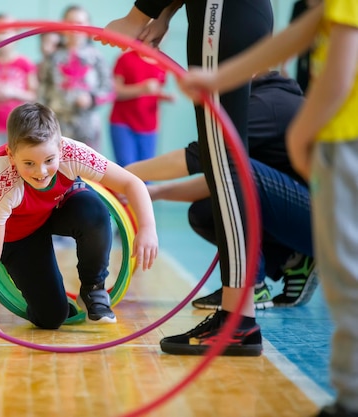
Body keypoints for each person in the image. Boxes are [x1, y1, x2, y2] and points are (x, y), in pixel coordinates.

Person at [176, 2, 358, 416]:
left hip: (346, 141)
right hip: (336, 144)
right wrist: (219, 77)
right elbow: (304, 32)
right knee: (342, 276)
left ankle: (350, 400)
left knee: (349, 280)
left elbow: (341, 66)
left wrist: (301, 132)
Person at [103, 0, 274, 356]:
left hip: (220, 15)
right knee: (222, 163)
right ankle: (235, 315)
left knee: (224, 164)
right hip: (225, 14)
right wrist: (164, 15)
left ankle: (238, 319)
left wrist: (136, 16)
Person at [0, 102, 158, 335]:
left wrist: (147, 227)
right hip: (22, 232)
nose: (41, 171)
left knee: (93, 211)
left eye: (49, 160)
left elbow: (131, 182)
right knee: (52, 317)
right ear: (11, 155)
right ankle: (52, 301)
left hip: (60, 207)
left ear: (60, 148)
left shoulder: (73, 153)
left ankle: (93, 289)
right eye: (29, 163)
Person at [125, 76, 316, 313]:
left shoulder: (266, 105)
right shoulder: (262, 100)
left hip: (330, 223)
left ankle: (250, 285)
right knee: (204, 212)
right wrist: (155, 192)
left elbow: (199, 158)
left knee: (230, 164)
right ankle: (293, 258)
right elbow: (222, 179)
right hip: (307, 216)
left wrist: (120, 177)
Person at [40, 5, 113, 152]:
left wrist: (91, 99)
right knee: (59, 166)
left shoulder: (96, 57)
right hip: (57, 124)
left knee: (88, 170)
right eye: (70, 22)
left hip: (88, 125)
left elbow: (109, 90)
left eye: (79, 22)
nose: (74, 28)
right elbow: (43, 88)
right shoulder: (53, 57)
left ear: (88, 26)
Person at [0, 13, 38, 157]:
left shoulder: (25, 64)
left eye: (6, 33)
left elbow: (34, 95)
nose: (2, 37)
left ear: (16, 35)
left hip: (20, 127)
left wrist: (13, 92)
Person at [109, 49, 172, 167]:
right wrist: (142, 89)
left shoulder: (162, 62)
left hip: (149, 125)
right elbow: (115, 92)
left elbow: (154, 91)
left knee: (148, 171)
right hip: (123, 122)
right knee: (126, 169)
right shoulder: (125, 59)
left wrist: (163, 96)